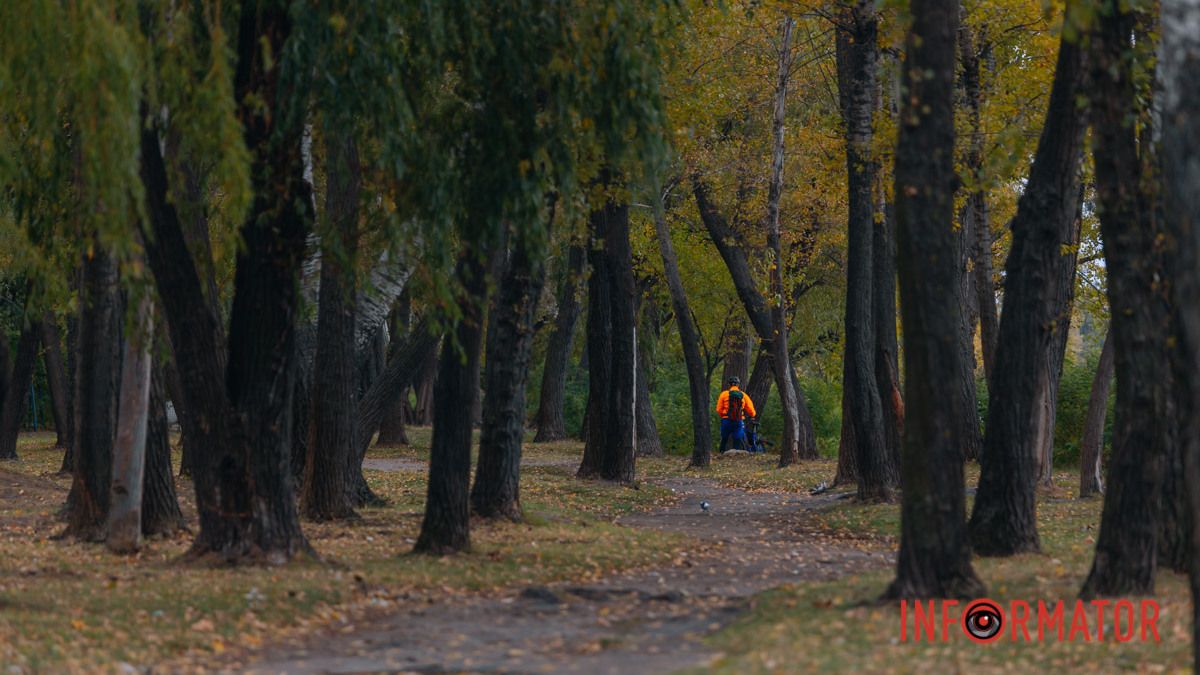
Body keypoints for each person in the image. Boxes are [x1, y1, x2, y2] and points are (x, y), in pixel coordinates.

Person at [716, 376, 756, 454]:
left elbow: (718, 409)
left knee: (724, 438)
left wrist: (723, 416)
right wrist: (752, 415)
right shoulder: (743, 395)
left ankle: (721, 453)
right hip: (738, 420)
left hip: (726, 420)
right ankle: (735, 454)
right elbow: (751, 409)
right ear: (738, 385)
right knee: (737, 438)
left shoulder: (724, 394)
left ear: (729, 385)